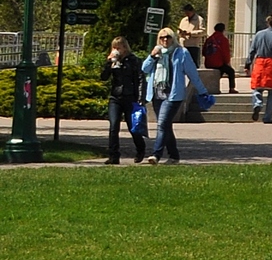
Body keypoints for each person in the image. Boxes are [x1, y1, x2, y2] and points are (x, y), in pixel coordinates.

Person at [141, 27, 209, 165]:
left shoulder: (181, 53)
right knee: (166, 126)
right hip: (157, 94)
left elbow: (193, 74)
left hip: (172, 95)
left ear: (173, 38)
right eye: (162, 38)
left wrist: (202, 91)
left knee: (162, 124)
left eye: (168, 37)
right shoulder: (157, 52)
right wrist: (152, 56)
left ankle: (156, 154)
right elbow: (144, 69)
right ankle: (174, 156)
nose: (165, 40)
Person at [101, 36, 146, 164]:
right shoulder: (114, 62)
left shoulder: (133, 61)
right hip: (115, 97)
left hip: (129, 97)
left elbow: (140, 79)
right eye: (114, 48)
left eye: (118, 47)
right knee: (114, 126)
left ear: (125, 48)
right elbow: (103, 77)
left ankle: (140, 149)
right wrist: (108, 63)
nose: (116, 50)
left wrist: (140, 98)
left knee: (133, 127)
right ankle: (113, 155)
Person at [245, 15, 272, 123]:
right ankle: (268, 117)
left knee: (256, 87)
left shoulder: (259, 34)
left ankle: (257, 103)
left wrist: (247, 64)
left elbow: (252, 51)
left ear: (268, 23)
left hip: (259, 62)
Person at [202, 22, 237, 93]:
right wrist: (227, 62)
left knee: (220, 72)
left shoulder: (209, 39)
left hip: (208, 63)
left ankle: (211, 87)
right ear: (223, 30)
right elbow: (225, 53)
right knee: (230, 71)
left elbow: (204, 52)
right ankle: (231, 88)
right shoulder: (223, 39)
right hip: (218, 63)